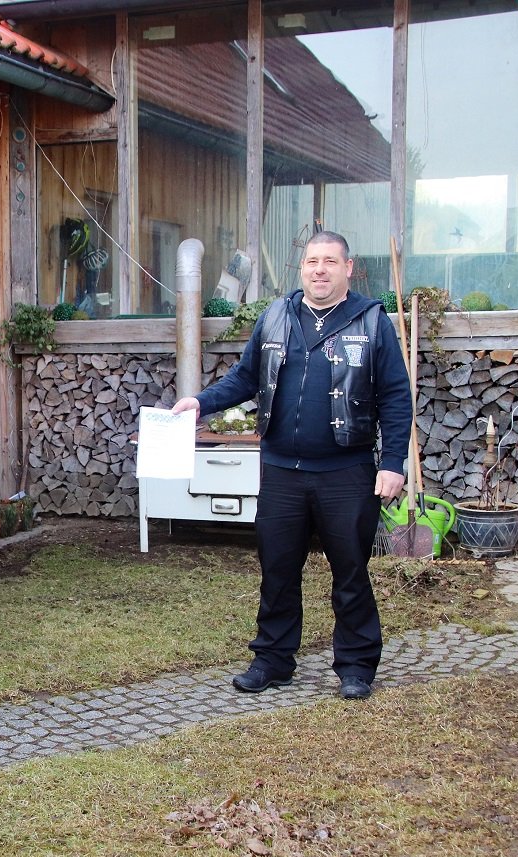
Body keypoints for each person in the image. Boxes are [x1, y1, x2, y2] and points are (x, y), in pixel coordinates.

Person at [171, 231, 410, 700]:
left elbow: (396, 397)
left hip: (347, 470)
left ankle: (357, 665)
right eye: (311, 262)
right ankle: (273, 660)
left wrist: (395, 462)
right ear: (300, 268)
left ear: (348, 267)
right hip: (281, 469)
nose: (319, 270)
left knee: (351, 571)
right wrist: (200, 403)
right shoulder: (276, 315)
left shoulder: (372, 321)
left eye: (329, 262)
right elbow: (244, 378)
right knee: (277, 569)